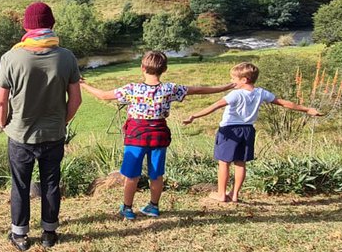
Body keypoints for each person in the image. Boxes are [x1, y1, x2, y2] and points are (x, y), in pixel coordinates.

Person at [80, 51, 232, 220]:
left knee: (131, 175)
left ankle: (127, 208)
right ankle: (153, 206)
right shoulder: (170, 89)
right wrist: (224, 87)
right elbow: (197, 90)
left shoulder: (132, 89)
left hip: (136, 136)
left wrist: (82, 84)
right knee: (156, 174)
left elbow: (103, 95)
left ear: (142, 68)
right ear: (164, 69)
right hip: (159, 135)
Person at [0, 2, 82, 251]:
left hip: (20, 135)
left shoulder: (11, 57)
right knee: (51, 184)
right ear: (51, 24)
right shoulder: (66, 57)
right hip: (54, 135)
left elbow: (1, 102)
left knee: (20, 185)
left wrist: (4, 126)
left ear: (26, 26)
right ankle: (49, 233)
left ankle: (20, 236)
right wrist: (61, 122)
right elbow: (76, 99)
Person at [183, 62, 322, 203]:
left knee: (224, 162)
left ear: (244, 80)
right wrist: (307, 109)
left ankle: (221, 194)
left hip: (229, 130)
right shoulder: (261, 93)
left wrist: (194, 116)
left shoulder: (235, 94)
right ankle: (234, 194)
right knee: (241, 163)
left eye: (233, 79)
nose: (231, 82)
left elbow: (215, 106)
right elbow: (284, 103)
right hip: (248, 130)